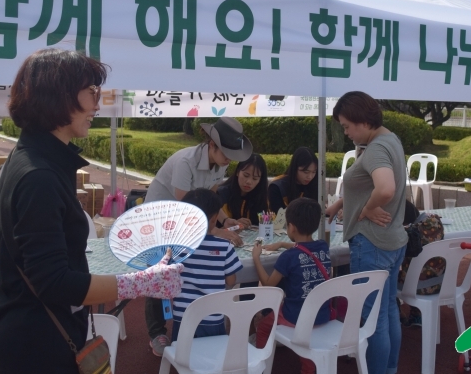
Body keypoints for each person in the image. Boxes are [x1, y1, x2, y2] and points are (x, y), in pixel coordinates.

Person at [0, 48, 183, 373]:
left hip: (42, 335)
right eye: (92, 92)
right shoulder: (39, 175)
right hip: (39, 347)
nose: (97, 104)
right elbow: (53, 282)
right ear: (60, 95)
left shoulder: (40, 158)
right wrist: (139, 283)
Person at [143, 116, 252, 356]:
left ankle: (186, 321)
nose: (229, 160)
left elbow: (210, 197)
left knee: (186, 273)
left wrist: (225, 220)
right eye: (226, 154)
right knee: (159, 271)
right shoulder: (185, 162)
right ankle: (156, 332)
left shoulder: (221, 162)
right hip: (161, 218)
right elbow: (187, 208)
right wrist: (215, 231)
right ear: (211, 145)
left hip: (189, 220)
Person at [325, 91, 407, 374]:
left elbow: (384, 189)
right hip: (392, 241)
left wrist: (368, 209)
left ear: (362, 121)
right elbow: (367, 184)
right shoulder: (390, 139)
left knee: (374, 320)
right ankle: (390, 368)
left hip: (372, 244)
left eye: (347, 126)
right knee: (389, 313)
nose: (345, 132)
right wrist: (340, 203)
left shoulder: (375, 149)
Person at [253, 197, 330, 374]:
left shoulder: (288, 257)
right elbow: (304, 247)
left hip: (295, 316)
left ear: (291, 227)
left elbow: (267, 284)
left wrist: (256, 257)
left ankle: (260, 364)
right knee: (305, 342)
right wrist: (281, 243)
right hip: (323, 313)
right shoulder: (323, 247)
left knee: (263, 326)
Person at [171, 188, 242, 341]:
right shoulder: (225, 247)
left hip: (183, 315)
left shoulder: (176, 247)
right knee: (213, 352)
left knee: (182, 352)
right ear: (214, 219)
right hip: (212, 315)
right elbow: (231, 281)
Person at [217, 153, 268, 227]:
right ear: (238, 172)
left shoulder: (261, 197)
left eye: (255, 178)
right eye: (246, 175)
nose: (249, 182)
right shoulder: (221, 195)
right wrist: (235, 225)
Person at [268, 147, 318, 213]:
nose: (310, 177)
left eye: (314, 172)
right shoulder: (277, 187)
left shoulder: (314, 184)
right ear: (295, 168)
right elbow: (277, 216)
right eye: (306, 172)